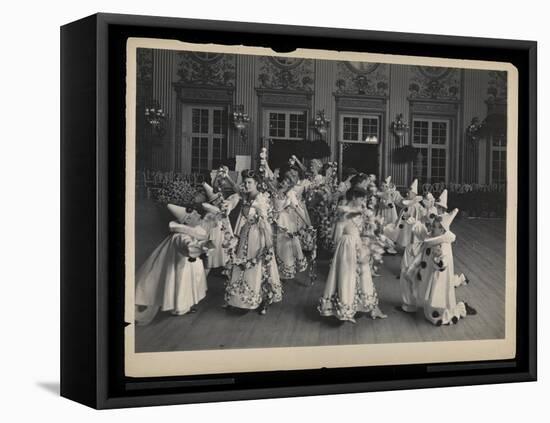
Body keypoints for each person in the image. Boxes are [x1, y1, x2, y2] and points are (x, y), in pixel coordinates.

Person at [134, 204, 212, 325]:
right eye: (195, 215)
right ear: (187, 220)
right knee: (181, 284)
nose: (199, 215)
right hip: (180, 266)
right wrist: (201, 247)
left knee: (188, 284)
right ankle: (179, 308)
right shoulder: (180, 236)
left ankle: (185, 306)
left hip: (189, 264)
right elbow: (187, 246)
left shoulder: (193, 231)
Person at [222, 169, 283, 315]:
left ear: (257, 183)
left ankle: (260, 298)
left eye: (250, 183)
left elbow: (266, 222)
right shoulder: (245, 196)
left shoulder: (261, 199)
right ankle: (237, 298)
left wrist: (267, 244)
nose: (247, 185)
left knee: (257, 264)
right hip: (245, 233)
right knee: (240, 262)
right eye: (245, 182)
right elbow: (235, 193)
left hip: (257, 235)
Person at [318, 210, 387, 323]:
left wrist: (368, 241)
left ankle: (373, 308)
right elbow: (335, 239)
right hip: (347, 250)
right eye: (360, 198)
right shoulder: (343, 218)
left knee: (365, 279)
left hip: (361, 248)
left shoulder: (363, 214)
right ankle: (346, 310)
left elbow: (368, 231)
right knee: (347, 279)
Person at [413, 209, 474, 325]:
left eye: (435, 227)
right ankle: (432, 312)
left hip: (439, 276)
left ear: (442, 230)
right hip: (431, 272)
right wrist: (416, 224)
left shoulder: (444, 244)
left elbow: (443, 263)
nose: (432, 228)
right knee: (430, 294)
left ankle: (446, 313)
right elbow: (423, 235)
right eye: (432, 225)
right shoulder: (433, 237)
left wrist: (438, 257)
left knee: (438, 295)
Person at [392, 179, 424, 249]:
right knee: (403, 233)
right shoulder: (407, 201)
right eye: (407, 193)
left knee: (409, 234)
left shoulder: (416, 204)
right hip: (404, 221)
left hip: (410, 222)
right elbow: (400, 202)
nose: (407, 194)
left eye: (409, 193)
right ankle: (404, 246)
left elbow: (420, 213)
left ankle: (409, 247)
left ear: (414, 194)